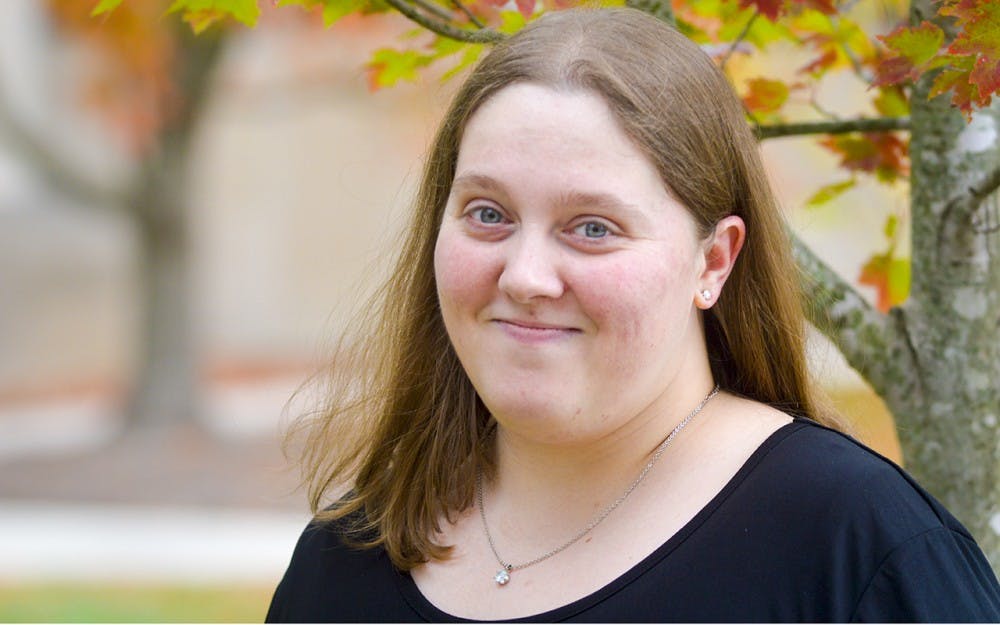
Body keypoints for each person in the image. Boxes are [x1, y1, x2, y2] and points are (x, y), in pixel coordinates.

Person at [266, 7, 1000, 622]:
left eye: (592, 227)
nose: (525, 275)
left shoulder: (857, 548)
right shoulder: (347, 561)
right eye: (488, 213)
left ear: (713, 260)